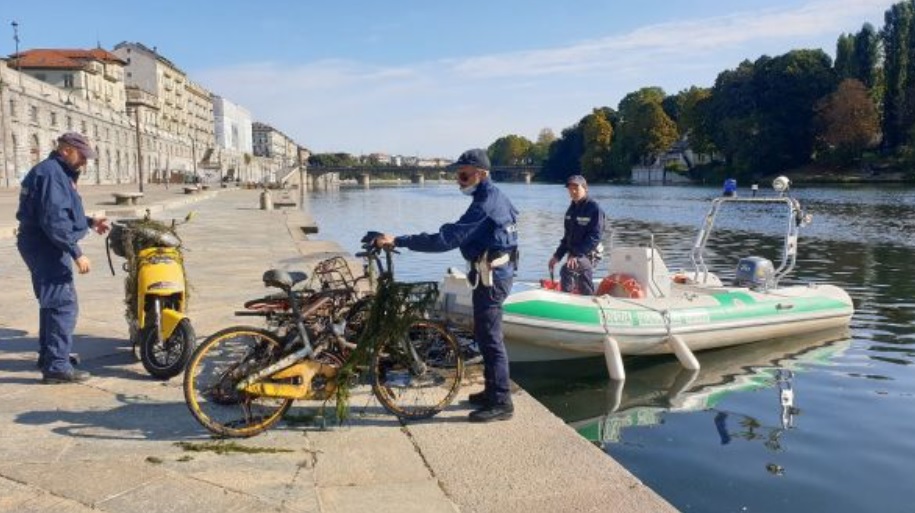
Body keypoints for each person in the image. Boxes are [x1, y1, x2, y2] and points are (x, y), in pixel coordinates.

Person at [374, 148, 519, 423]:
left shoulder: (486, 203)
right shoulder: (493, 196)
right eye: (458, 176)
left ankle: (502, 402)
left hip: (493, 277)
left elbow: (446, 240)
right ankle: (492, 391)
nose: (459, 181)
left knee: (491, 338)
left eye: (464, 175)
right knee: (486, 334)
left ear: (481, 174)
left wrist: (399, 240)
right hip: (493, 272)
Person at [16, 132, 110, 384]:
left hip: (42, 243)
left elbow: (61, 212)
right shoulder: (51, 175)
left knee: (51, 302)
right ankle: (57, 366)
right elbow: (54, 220)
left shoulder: (55, 172)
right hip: (46, 246)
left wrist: (89, 222)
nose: (85, 163)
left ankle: (50, 355)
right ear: (67, 150)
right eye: (82, 156)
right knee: (62, 305)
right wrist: (77, 253)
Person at [548, 175, 605, 295]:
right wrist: (557, 256)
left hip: (591, 252)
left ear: (585, 188)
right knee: (571, 267)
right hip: (575, 253)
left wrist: (576, 254)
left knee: (567, 269)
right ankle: (580, 295)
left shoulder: (594, 208)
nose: (573, 191)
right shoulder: (571, 210)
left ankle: (573, 300)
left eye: (576, 188)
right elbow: (566, 238)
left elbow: (595, 236)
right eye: (570, 188)